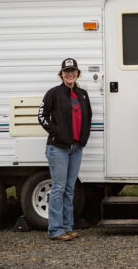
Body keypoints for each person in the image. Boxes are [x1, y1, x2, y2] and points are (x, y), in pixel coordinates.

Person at [38, 58, 92, 241]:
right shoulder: (53, 93)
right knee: (58, 188)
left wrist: (83, 138)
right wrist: (58, 133)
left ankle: (68, 227)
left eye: (73, 71)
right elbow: (42, 116)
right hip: (58, 148)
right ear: (61, 74)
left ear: (78, 73)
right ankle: (55, 230)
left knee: (70, 188)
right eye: (66, 71)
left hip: (76, 148)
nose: (70, 74)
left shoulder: (82, 94)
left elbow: (88, 118)